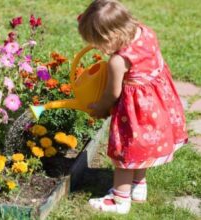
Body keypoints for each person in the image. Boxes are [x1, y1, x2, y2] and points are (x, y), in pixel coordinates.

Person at [78, 0, 188, 214]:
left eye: (98, 43)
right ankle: (139, 186)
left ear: (111, 38)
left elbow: (113, 93)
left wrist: (100, 107)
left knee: (125, 151)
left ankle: (120, 200)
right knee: (142, 147)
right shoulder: (145, 31)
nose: (98, 48)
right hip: (158, 102)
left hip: (136, 111)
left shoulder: (118, 61)